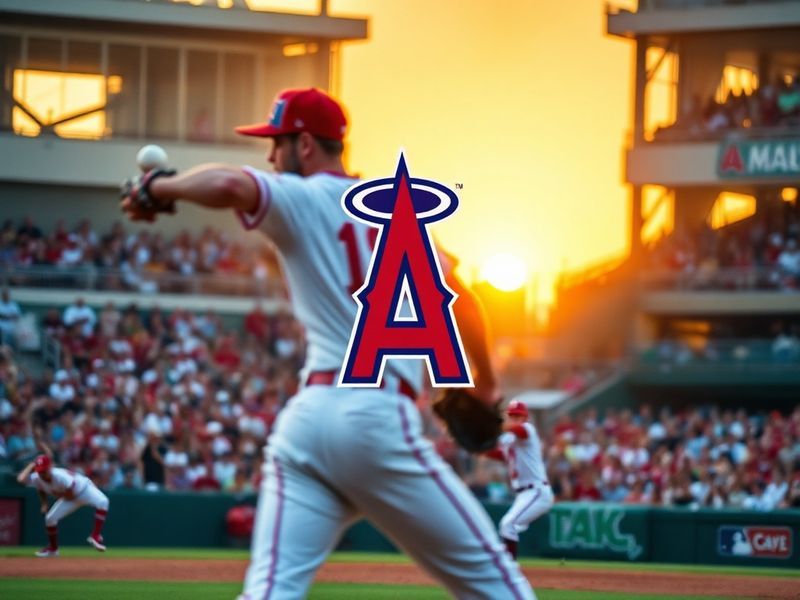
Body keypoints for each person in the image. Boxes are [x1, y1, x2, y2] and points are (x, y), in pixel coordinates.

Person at [122, 87, 534, 599]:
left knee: (270, 591)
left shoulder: (302, 196)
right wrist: (484, 389)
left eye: (277, 143)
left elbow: (229, 181)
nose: (271, 157)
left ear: (305, 144)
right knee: (498, 586)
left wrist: (160, 188)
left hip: (309, 424)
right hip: (374, 417)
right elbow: (466, 304)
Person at [486, 400, 554, 558]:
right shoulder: (508, 440)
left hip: (537, 491)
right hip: (523, 495)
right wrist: (476, 448)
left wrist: (491, 424)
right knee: (508, 527)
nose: (515, 418)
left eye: (518, 415)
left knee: (507, 524)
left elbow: (516, 430)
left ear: (525, 418)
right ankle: (505, 564)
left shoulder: (527, 430)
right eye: (512, 415)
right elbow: (499, 454)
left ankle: (509, 569)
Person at [17, 454, 109, 557]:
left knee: (103, 501)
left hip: (84, 490)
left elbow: (70, 495)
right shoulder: (38, 478)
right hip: (69, 497)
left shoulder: (60, 476)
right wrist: (31, 466)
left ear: (50, 467)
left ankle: (95, 536)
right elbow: (22, 480)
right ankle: (53, 549)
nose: (42, 473)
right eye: (40, 470)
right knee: (50, 519)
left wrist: (54, 494)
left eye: (44, 470)